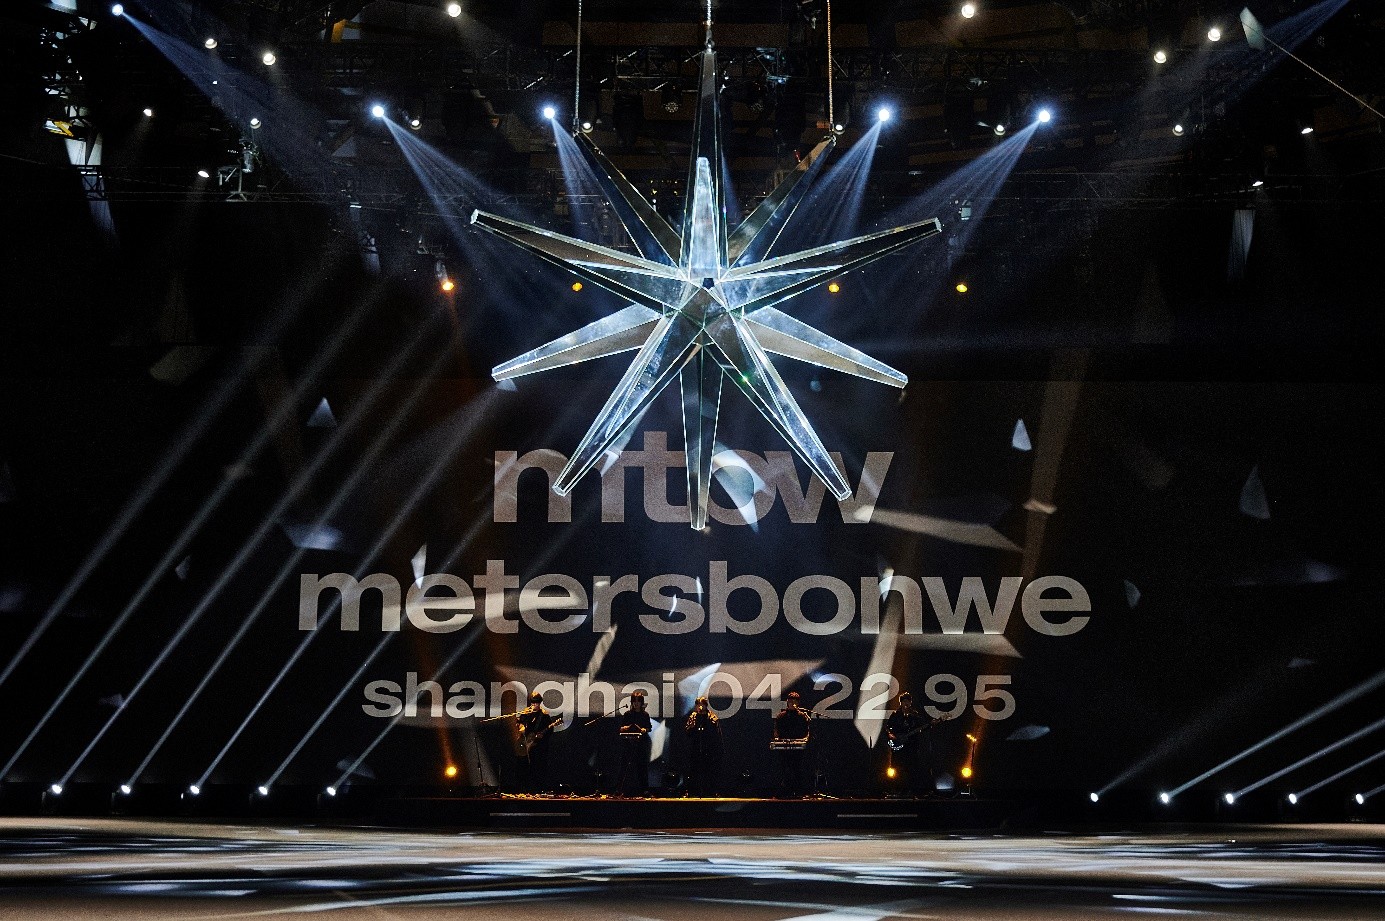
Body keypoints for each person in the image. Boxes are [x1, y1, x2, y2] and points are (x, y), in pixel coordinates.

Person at [885, 691, 934, 796]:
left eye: (908, 701)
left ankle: (912, 790)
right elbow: (888, 728)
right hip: (899, 747)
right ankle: (897, 789)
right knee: (897, 767)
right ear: (901, 702)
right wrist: (892, 736)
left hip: (911, 746)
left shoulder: (915, 715)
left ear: (911, 702)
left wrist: (931, 724)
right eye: (904, 701)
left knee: (912, 768)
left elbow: (922, 726)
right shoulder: (895, 715)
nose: (906, 703)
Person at [515, 691, 560, 793]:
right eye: (532, 703)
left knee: (538, 767)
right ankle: (523, 789)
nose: (534, 705)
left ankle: (538, 789)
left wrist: (543, 735)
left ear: (539, 703)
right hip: (526, 743)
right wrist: (521, 727)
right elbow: (518, 722)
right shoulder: (526, 713)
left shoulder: (544, 715)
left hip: (539, 746)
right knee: (524, 766)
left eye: (536, 703)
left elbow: (550, 729)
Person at [772, 691, 812, 797]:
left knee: (797, 768)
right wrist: (777, 739)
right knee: (785, 768)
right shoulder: (781, 716)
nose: (792, 703)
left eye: (794, 701)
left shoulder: (802, 716)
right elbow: (776, 731)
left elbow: (807, 731)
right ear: (787, 702)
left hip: (798, 746)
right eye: (790, 701)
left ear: (798, 703)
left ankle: (798, 791)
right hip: (784, 747)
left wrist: (805, 740)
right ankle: (784, 792)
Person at [615, 689, 653, 796]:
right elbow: (621, 728)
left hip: (641, 743)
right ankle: (620, 789)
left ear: (641, 703)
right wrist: (626, 728)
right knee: (624, 767)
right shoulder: (628, 714)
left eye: (638, 701)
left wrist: (644, 729)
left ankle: (645, 790)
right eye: (634, 701)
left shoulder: (645, 715)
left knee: (642, 767)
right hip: (628, 743)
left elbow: (649, 727)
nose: (636, 703)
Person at [683, 696, 722, 797]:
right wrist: (691, 727)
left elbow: (717, 733)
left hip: (708, 747)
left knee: (709, 770)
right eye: (698, 705)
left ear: (706, 706)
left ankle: (711, 791)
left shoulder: (712, 717)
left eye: (702, 705)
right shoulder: (693, 717)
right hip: (695, 746)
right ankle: (691, 791)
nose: (700, 707)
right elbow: (687, 732)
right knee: (693, 770)